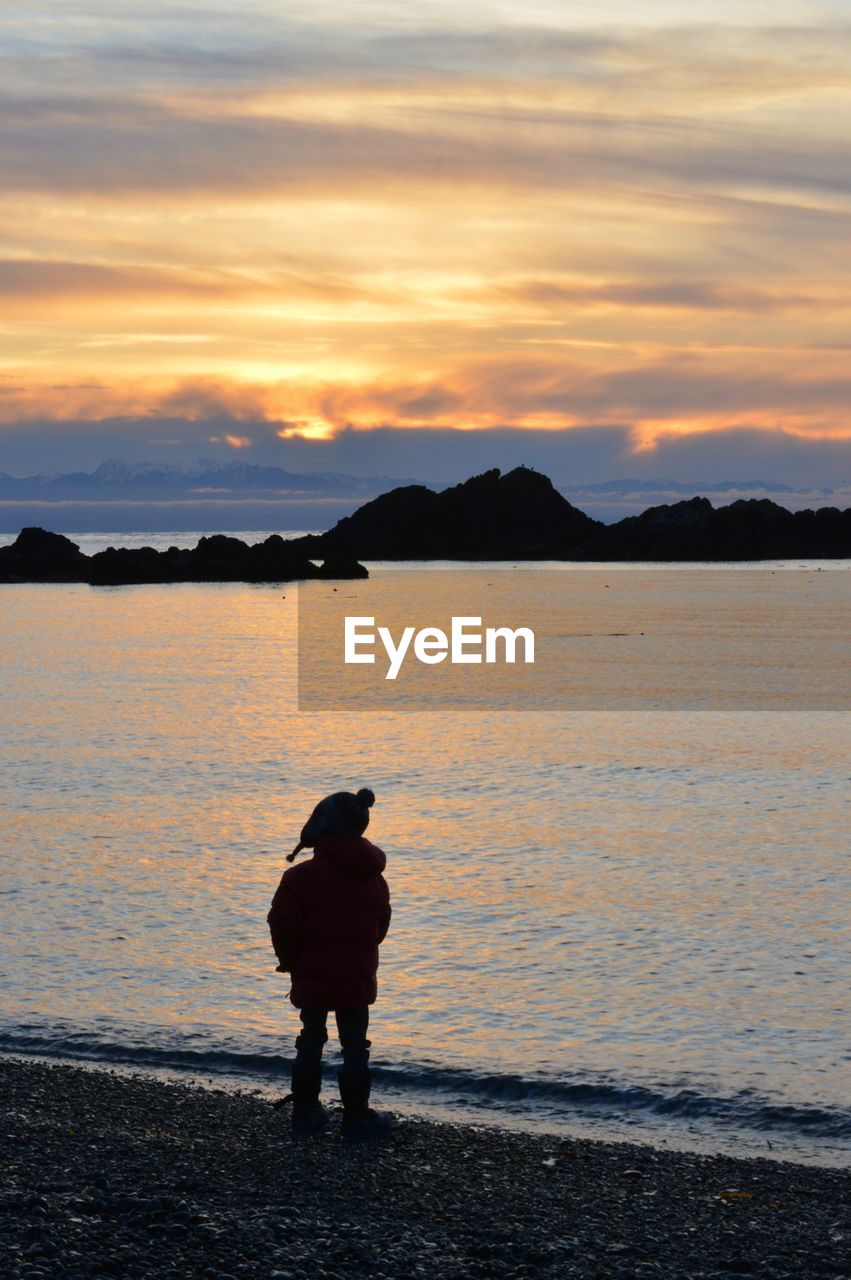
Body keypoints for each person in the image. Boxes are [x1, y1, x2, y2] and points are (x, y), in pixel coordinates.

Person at [268, 787, 392, 1139]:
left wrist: (290, 961)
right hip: (356, 975)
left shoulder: (299, 879)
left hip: (314, 973)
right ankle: (356, 1118)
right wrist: (361, 953)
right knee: (355, 1044)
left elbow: (281, 923)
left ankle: (306, 1112)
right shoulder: (374, 878)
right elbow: (381, 925)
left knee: (311, 1038)